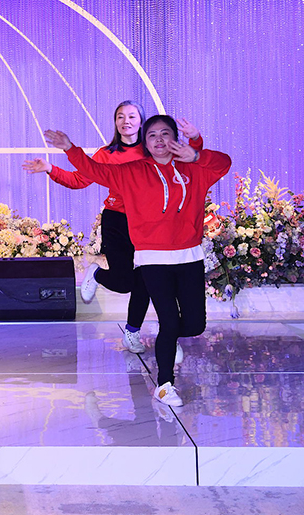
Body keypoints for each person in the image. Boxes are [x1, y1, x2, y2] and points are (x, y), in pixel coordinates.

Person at [44, 117, 230, 407]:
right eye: (152, 135)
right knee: (170, 321)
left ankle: (166, 339)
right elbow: (94, 170)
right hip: (152, 259)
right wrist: (70, 148)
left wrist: (196, 151)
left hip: (189, 257)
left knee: (194, 325)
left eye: (165, 133)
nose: (159, 139)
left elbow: (224, 163)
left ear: (175, 138)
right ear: (145, 142)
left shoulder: (195, 169)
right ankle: (164, 385)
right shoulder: (132, 171)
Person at [23, 102, 203, 354]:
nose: (126, 121)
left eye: (132, 116)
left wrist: (195, 138)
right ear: (115, 122)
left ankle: (141, 333)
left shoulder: (155, 149)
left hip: (152, 225)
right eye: (120, 117)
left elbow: (193, 161)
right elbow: (79, 179)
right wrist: (50, 168)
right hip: (117, 221)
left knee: (146, 282)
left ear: (142, 122)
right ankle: (98, 274)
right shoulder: (107, 154)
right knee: (125, 281)